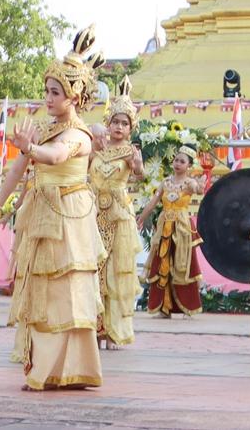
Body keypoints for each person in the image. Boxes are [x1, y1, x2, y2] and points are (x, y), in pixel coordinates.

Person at [1, 29, 108, 391]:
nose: (47, 98)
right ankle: (46, 368)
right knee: (42, 289)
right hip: (41, 211)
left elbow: (56, 156)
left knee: (66, 290)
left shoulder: (79, 134)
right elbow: (19, 168)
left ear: (74, 96)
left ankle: (67, 368)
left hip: (69, 215)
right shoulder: (45, 129)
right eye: (46, 90)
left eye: (55, 92)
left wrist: (30, 150)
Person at [89, 88, 144, 351]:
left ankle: (114, 332)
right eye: (115, 121)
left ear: (131, 127)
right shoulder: (96, 150)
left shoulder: (131, 152)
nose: (119, 127)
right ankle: (95, 329)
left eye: (124, 123)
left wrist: (137, 166)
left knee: (115, 273)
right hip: (94, 214)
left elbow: (140, 176)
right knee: (94, 270)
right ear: (108, 123)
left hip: (119, 216)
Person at [138, 143, 206, 316]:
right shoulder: (166, 182)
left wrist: (201, 184)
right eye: (176, 160)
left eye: (182, 161)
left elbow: (199, 189)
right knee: (162, 263)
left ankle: (188, 307)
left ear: (189, 166)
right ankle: (164, 306)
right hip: (164, 227)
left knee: (184, 265)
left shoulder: (189, 182)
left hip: (182, 228)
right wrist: (142, 217)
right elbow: (153, 202)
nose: (177, 164)